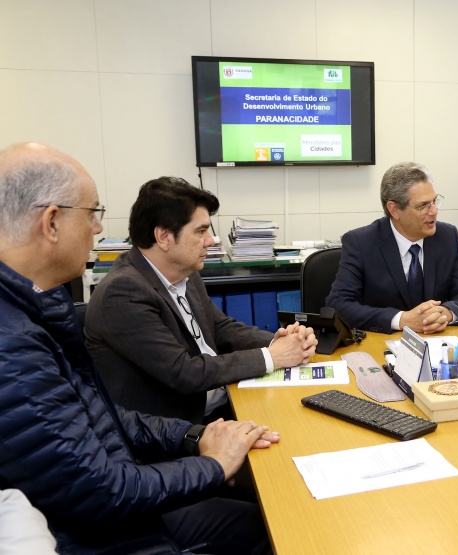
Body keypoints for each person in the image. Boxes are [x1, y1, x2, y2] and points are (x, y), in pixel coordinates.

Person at [0, 142, 277, 553]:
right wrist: (213, 465)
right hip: (109, 523)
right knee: (269, 524)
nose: (98, 229)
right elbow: (101, 490)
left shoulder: (35, 306)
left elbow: (103, 416)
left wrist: (194, 438)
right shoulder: (13, 346)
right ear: (52, 222)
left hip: (130, 472)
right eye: (93, 212)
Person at [85, 177, 318, 424]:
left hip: (223, 403)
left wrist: (278, 340)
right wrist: (273, 356)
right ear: (164, 236)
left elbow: (219, 327)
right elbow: (185, 371)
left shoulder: (185, 272)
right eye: (200, 231)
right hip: (176, 431)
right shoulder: (123, 292)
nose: (210, 241)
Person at [326, 162, 458, 334]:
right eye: (423, 206)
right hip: (382, 345)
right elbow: (338, 305)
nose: (434, 211)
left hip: (437, 343)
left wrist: (445, 314)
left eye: (435, 201)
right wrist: (401, 320)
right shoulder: (361, 242)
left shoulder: (447, 236)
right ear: (394, 210)